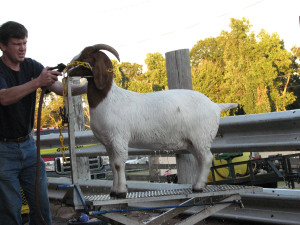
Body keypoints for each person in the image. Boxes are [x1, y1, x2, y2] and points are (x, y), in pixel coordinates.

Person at [0, 21, 87, 225]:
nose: (22, 48)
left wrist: (88, 87)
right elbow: (3, 97)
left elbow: (59, 88)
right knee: (10, 210)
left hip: (29, 147)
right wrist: (38, 82)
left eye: (25, 43)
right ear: (3, 46)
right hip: (3, 150)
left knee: (41, 205)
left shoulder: (31, 66)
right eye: (16, 44)